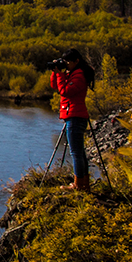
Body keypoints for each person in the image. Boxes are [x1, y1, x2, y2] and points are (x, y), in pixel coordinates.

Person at [50, 48, 95, 191]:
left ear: (77, 61)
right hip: (74, 115)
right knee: (79, 152)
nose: (66, 65)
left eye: (68, 62)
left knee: (76, 153)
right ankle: (84, 184)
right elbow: (55, 86)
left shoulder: (79, 76)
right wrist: (55, 72)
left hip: (75, 116)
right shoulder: (72, 73)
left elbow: (65, 92)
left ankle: (78, 185)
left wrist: (60, 75)